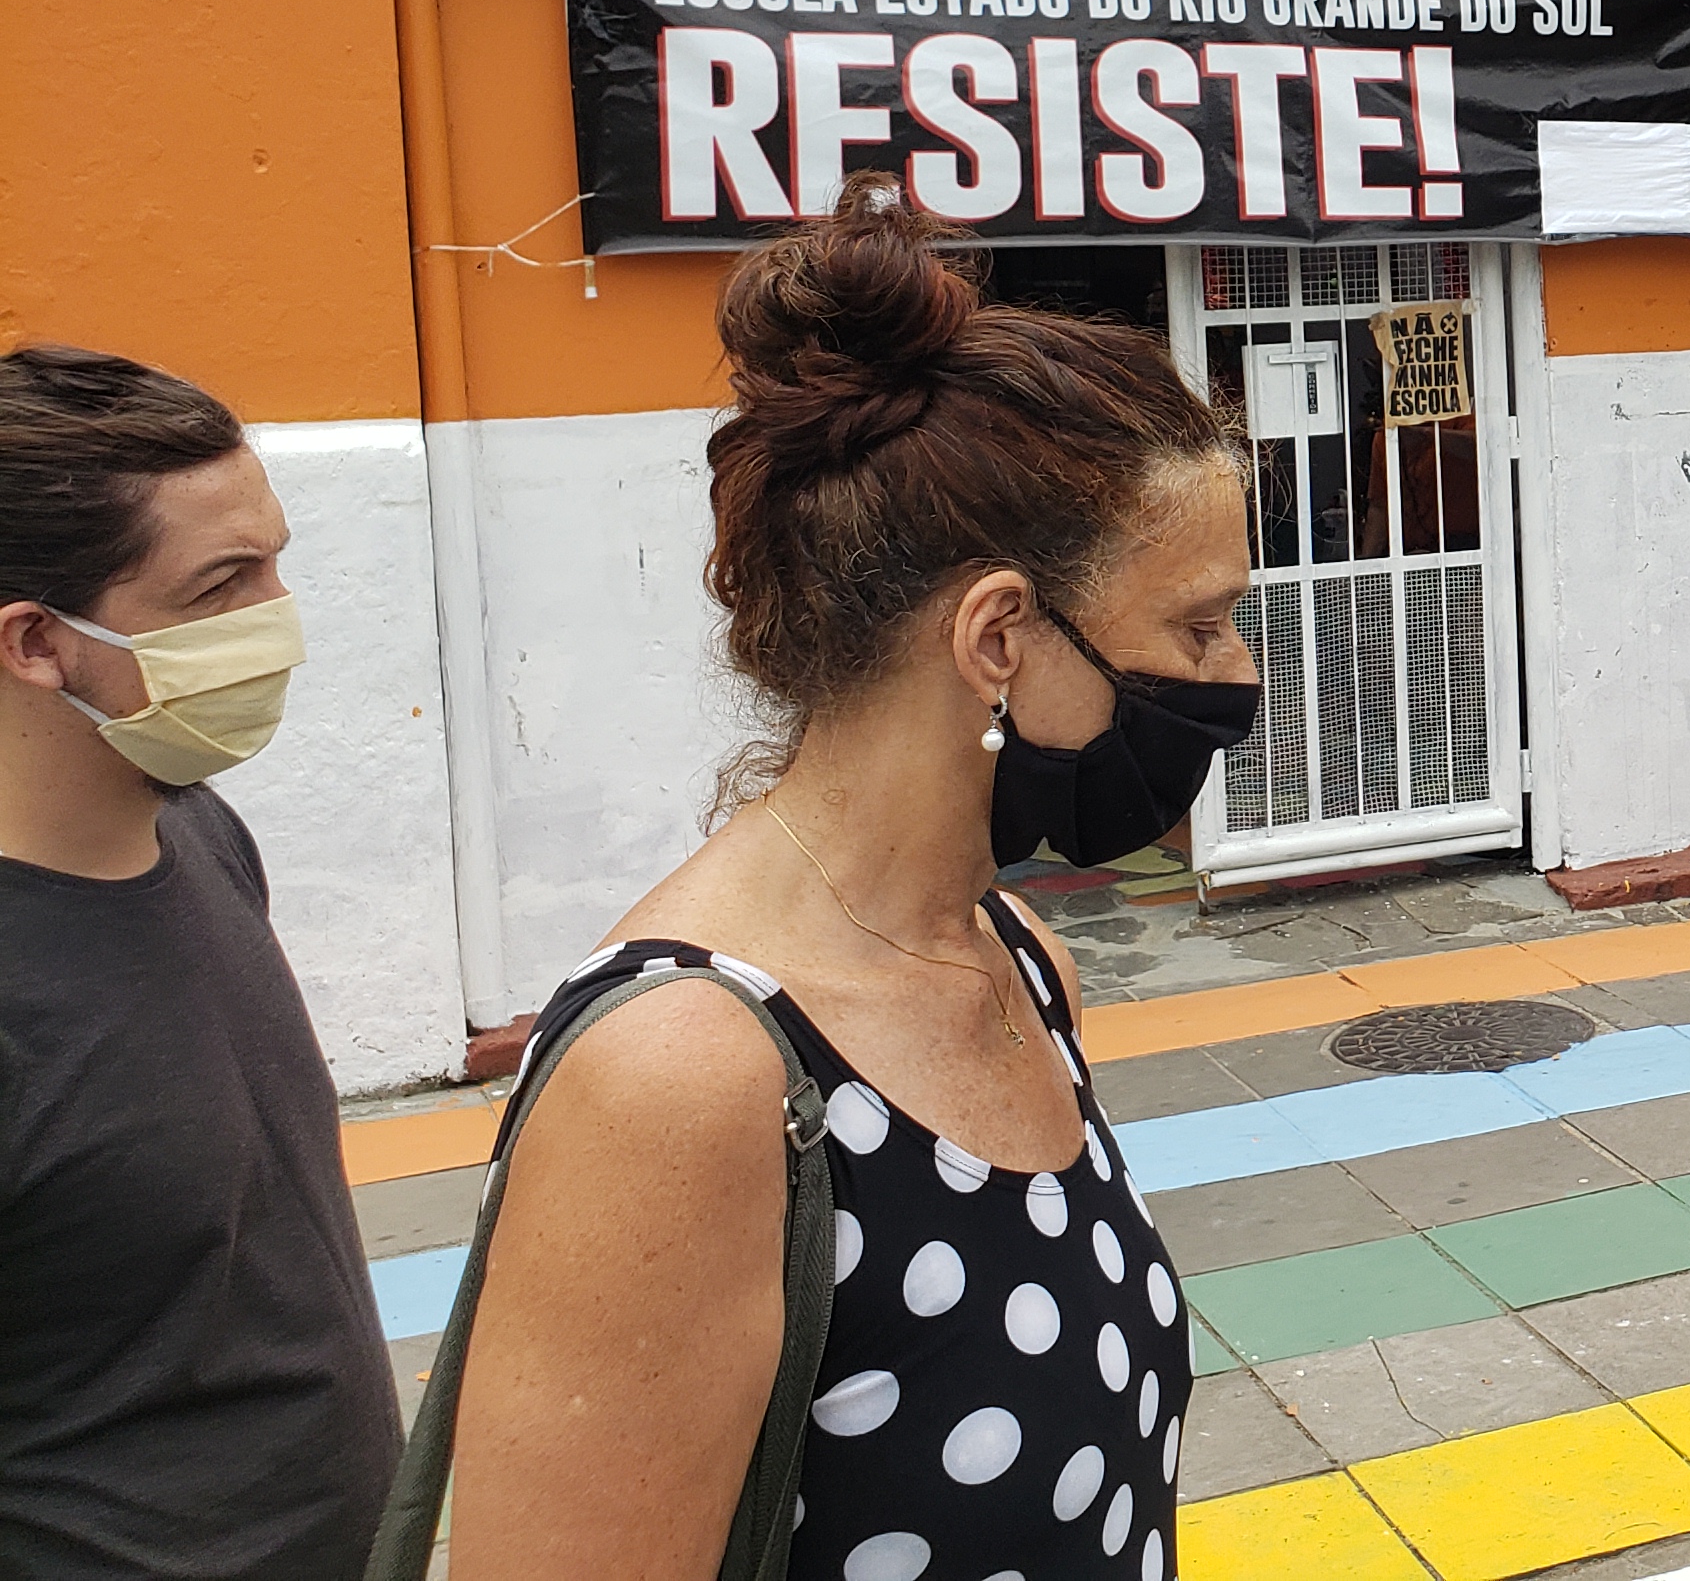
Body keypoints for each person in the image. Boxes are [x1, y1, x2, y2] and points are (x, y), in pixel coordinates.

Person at [440, 186, 1260, 1579]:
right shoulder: (684, 1082)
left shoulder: (1013, 959)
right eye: (1199, 621)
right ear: (999, 635)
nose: (1235, 673)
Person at [0, 344, 394, 1578]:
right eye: (224, 584)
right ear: (34, 642)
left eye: (276, 564)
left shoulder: (201, 832)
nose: (277, 623)